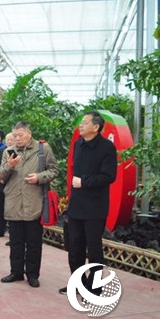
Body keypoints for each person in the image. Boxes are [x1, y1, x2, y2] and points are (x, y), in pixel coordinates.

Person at [59, 111, 117, 295]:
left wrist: (84, 182)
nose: (81, 126)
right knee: (75, 247)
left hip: (95, 207)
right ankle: (78, 283)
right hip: (76, 205)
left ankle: (95, 288)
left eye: (85, 123)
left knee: (94, 250)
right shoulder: (79, 144)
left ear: (96, 127)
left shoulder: (107, 147)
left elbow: (109, 176)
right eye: (81, 123)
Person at [0, 121, 58, 288]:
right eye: (15, 135)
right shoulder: (8, 152)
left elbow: (54, 170)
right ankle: (16, 272)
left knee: (34, 243)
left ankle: (32, 274)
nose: (17, 139)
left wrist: (39, 177)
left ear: (29, 134)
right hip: (14, 202)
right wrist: (9, 166)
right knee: (15, 242)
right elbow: (0, 175)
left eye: (20, 135)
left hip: (34, 202)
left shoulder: (42, 149)